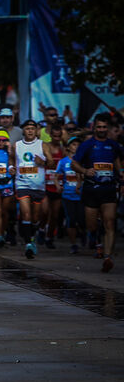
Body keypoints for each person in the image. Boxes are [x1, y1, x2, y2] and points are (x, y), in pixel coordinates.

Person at [70, 113, 123, 272]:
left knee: (110, 222)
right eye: (99, 127)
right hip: (91, 189)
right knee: (92, 225)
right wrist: (85, 171)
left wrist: (121, 173)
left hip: (108, 189)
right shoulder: (87, 145)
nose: (101, 130)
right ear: (94, 128)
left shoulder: (114, 145)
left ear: (108, 128)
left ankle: (108, 257)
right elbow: (74, 164)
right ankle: (96, 237)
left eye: (104, 127)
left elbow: (117, 161)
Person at [14, 120, 47, 259]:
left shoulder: (42, 145)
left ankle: (32, 236)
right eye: (27, 128)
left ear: (36, 130)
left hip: (38, 186)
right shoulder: (16, 145)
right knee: (26, 213)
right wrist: (11, 168)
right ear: (23, 130)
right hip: (22, 184)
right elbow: (11, 160)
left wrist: (43, 162)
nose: (30, 131)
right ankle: (28, 243)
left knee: (36, 217)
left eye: (32, 128)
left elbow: (51, 162)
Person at [55, 137, 84, 254]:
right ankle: (74, 244)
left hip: (82, 195)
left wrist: (80, 183)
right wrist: (58, 186)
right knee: (71, 219)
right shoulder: (63, 162)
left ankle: (83, 234)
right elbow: (56, 176)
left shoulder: (84, 160)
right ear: (68, 147)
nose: (76, 147)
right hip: (68, 195)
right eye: (73, 144)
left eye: (78, 144)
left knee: (83, 220)